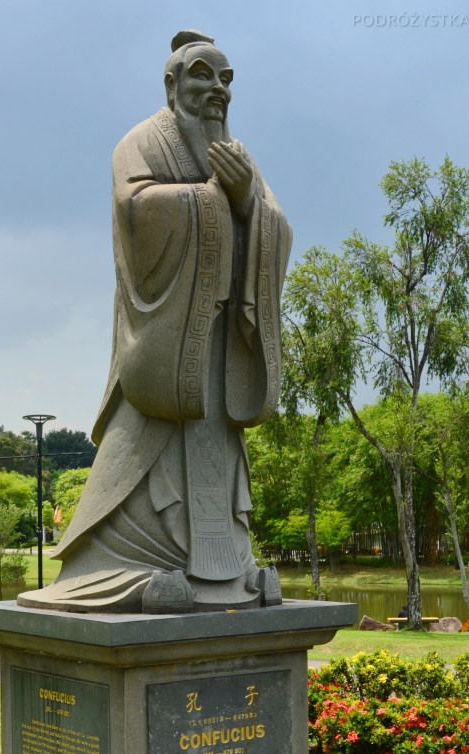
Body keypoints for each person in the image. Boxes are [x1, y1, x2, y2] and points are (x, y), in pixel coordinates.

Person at [19, 30, 291, 614]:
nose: (218, 89)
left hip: (219, 352)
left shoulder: (238, 154)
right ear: (172, 84)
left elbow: (276, 225)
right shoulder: (140, 143)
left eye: (226, 79)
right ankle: (127, 561)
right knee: (147, 454)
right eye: (203, 75)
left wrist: (247, 200)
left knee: (218, 456)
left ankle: (227, 571)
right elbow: (135, 209)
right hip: (168, 345)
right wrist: (213, 197)